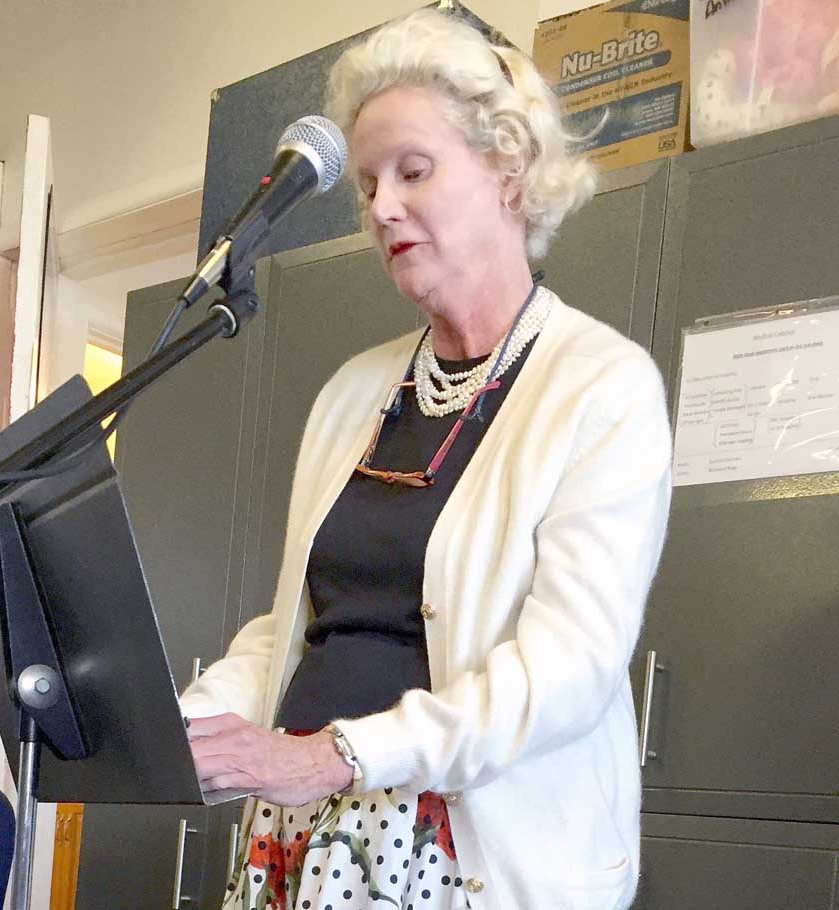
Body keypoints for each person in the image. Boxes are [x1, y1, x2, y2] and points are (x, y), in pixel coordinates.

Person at [181, 9, 672, 910]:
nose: (381, 208)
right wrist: (184, 723)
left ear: (509, 172)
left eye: (414, 171)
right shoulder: (352, 392)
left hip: (462, 856)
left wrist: (337, 754)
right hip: (303, 833)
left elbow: (567, 669)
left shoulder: (602, 386)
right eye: (369, 183)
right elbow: (300, 628)